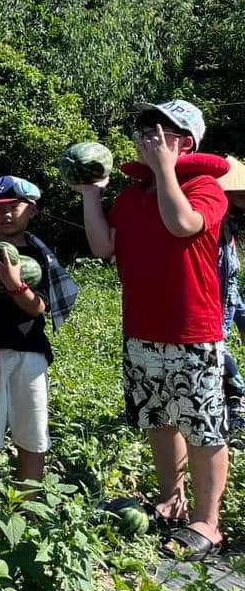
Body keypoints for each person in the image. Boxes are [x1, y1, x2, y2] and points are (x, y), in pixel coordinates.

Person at [72, 100, 230, 560]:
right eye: (145, 130)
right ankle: (171, 498)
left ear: (187, 142)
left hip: (192, 331)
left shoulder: (205, 187)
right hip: (141, 329)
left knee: (203, 429)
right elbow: (103, 247)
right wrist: (91, 194)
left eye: (162, 131)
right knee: (159, 421)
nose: (149, 137)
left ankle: (208, 522)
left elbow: (183, 225)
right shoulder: (130, 195)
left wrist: (165, 171)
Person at [0, 176, 79, 493]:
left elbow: (38, 308)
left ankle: (28, 502)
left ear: (31, 210)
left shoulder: (39, 257)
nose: (6, 215)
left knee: (32, 431)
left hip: (28, 353)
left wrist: (13, 282)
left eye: (14, 207)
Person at [217, 156, 245, 440]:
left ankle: (235, 406)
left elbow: (231, 281)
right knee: (220, 361)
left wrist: (241, 316)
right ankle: (236, 400)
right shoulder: (210, 231)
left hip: (225, 313)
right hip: (207, 317)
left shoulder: (229, 231)